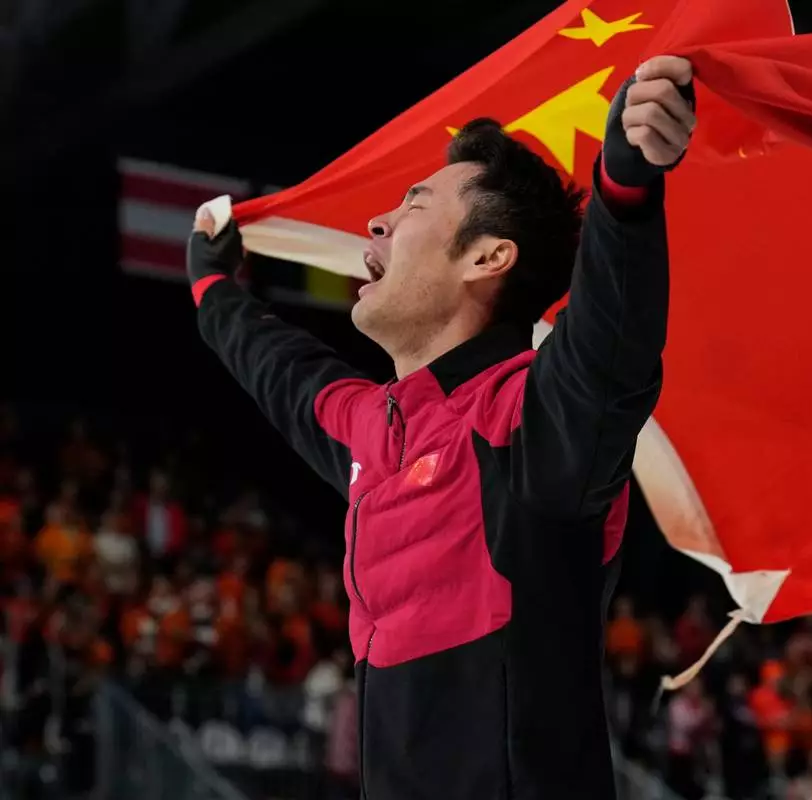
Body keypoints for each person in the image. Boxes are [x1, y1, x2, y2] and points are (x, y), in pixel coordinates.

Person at [186, 55, 696, 799]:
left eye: (414, 205)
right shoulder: (372, 429)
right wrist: (212, 291)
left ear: (489, 257)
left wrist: (624, 184)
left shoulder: (533, 422)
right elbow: (284, 373)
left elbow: (609, 350)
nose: (377, 221)